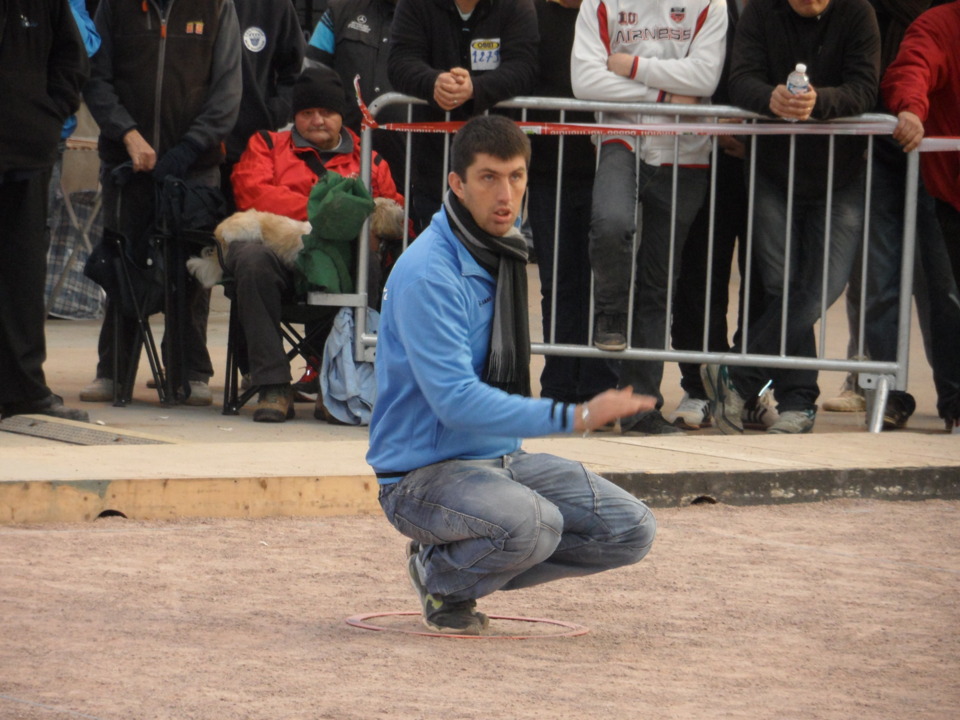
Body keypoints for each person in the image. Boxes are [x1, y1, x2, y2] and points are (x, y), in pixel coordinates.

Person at [367, 115, 657, 635]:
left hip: (502, 459)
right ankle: (439, 576)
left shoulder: (499, 249)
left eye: (517, 177)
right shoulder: (430, 273)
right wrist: (577, 415)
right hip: (419, 477)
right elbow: (454, 403)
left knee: (631, 529)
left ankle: (467, 562)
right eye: (488, 178)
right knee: (533, 524)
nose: (507, 194)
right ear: (456, 183)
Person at [703, 0, 880, 434]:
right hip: (773, 171)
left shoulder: (859, 13)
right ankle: (799, 401)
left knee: (824, 284)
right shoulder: (761, 12)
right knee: (781, 286)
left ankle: (737, 373)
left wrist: (819, 102)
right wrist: (770, 98)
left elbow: (865, 88)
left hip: (841, 175)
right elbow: (740, 80)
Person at [571, 0, 728, 435]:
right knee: (610, 224)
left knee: (659, 283)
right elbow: (584, 80)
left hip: (686, 150)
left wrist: (630, 66)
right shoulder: (601, 3)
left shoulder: (711, 5)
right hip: (621, 137)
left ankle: (641, 408)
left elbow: (704, 78)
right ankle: (610, 314)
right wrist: (660, 94)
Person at [80, 0, 243, 406]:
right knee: (124, 263)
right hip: (127, 161)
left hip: (194, 165)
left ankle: (189, 371)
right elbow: (96, 79)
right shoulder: (114, 7)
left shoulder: (217, 6)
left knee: (192, 268)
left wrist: (188, 149)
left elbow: (228, 89)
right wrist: (128, 135)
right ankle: (114, 372)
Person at [228, 65, 405, 422]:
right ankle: (273, 385)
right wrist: (330, 207)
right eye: (307, 113)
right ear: (295, 117)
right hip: (279, 257)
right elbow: (252, 193)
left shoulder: (368, 159)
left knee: (368, 258)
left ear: (342, 116)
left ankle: (339, 382)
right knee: (249, 257)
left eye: (326, 112)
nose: (317, 120)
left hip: (342, 268)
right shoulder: (266, 145)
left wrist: (334, 216)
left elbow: (391, 213)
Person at [0, 0, 90, 422]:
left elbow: (71, 58)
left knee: (22, 275)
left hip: (25, 153)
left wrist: (48, 115)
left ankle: (23, 390)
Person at [527, 0, 617, 407]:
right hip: (550, 169)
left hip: (613, 165)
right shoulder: (531, 14)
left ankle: (599, 383)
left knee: (606, 281)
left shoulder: (612, 10)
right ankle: (560, 384)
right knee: (559, 281)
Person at [386, 0, 539, 231]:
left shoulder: (516, 5)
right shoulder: (414, 4)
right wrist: (434, 83)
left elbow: (524, 67)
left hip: (500, 160)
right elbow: (400, 62)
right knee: (439, 255)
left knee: (496, 258)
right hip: (434, 163)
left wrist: (476, 89)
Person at [882, 0, 960, 432]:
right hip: (950, 192)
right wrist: (911, 108)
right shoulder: (940, 24)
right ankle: (956, 402)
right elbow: (912, 68)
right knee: (948, 299)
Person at [223, 0, 305, 211]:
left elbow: (294, 71)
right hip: (193, 149)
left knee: (244, 239)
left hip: (249, 150)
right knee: (195, 238)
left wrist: (274, 113)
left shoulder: (275, 6)